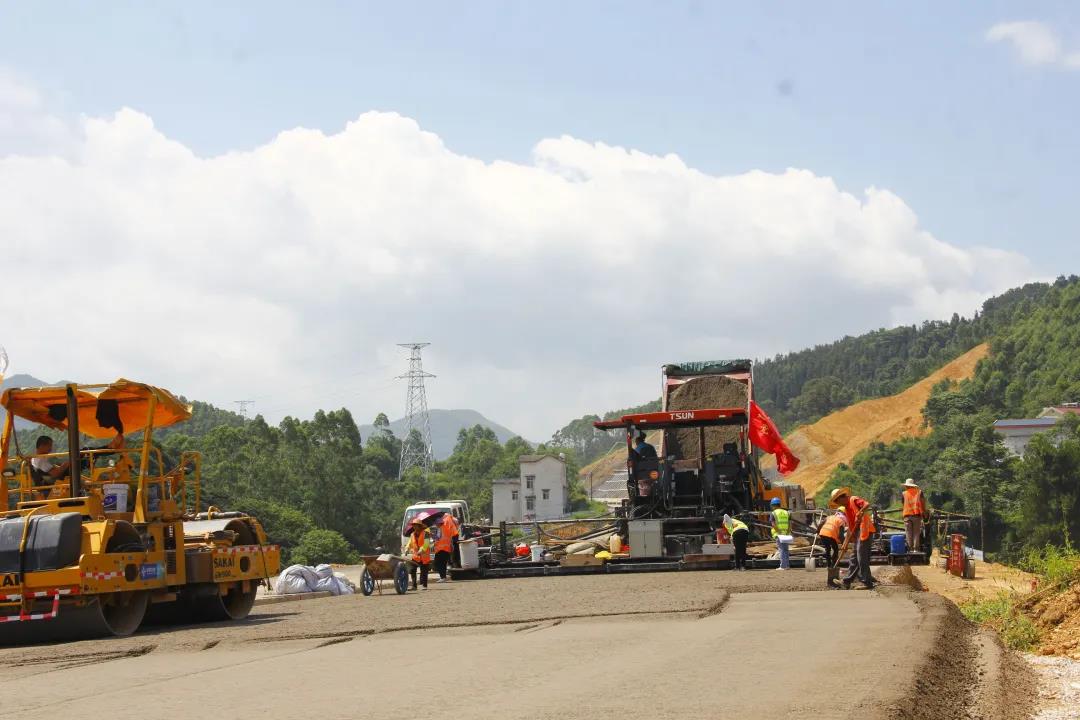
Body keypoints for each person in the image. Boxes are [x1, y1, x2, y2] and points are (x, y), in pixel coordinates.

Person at [829, 487, 877, 590]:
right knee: (854, 558)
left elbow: (866, 504)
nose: (838, 505)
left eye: (837, 502)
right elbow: (851, 528)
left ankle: (867, 583)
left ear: (841, 498)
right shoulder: (846, 509)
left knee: (861, 558)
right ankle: (846, 582)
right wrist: (846, 543)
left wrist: (861, 511)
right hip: (858, 533)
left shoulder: (853, 499)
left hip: (865, 531)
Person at [817, 509, 848, 585]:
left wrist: (818, 531)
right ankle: (833, 565)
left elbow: (821, 524)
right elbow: (841, 535)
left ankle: (829, 565)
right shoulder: (841, 522)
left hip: (822, 533)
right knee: (835, 549)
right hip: (830, 535)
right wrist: (844, 543)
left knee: (827, 549)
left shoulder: (830, 517)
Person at [901, 478, 928, 553]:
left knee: (908, 533)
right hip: (916, 515)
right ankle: (916, 549)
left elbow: (903, 504)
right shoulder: (919, 492)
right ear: (913, 486)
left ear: (907, 486)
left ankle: (910, 549)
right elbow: (923, 502)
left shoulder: (904, 493)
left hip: (907, 515)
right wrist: (924, 511)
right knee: (916, 532)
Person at [405, 519, 432, 591]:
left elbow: (426, 543)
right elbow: (410, 543)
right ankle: (414, 586)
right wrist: (407, 548)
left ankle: (424, 586)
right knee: (412, 570)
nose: (414, 527)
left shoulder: (426, 533)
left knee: (424, 572)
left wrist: (422, 549)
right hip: (415, 556)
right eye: (413, 525)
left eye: (415, 525)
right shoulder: (412, 534)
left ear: (419, 526)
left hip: (424, 556)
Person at [433, 512, 459, 583]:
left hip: (441, 549)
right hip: (446, 549)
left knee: (438, 563)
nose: (435, 524)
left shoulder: (440, 529)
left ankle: (443, 577)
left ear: (438, 523)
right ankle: (443, 577)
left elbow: (438, 538)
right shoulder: (445, 527)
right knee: (443, 563)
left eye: (436, 523)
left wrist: (432, 535)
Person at [770, 497, 791, 570]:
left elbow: (773, 524)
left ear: (773, 505)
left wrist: (779, 531)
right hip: (786, 534)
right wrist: (787, 532)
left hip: (779, 534)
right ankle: (787, 566)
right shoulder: (787, 512)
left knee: (781, 549)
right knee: (786, 550)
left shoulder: (773, 513)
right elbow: (790, 523)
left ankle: (782, 566)